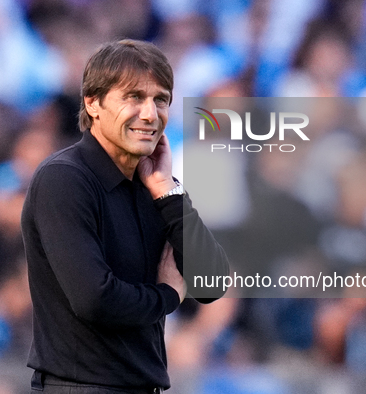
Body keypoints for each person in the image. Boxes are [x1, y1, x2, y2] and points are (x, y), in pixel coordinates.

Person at [21, 39, 229, 393]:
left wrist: (167, 190)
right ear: (93, 103)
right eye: (133, 97)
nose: (150, 113)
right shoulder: (64, 178)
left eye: (160, 99)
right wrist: (167, 296)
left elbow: (211, 283)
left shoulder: (158, 186)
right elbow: (95, 298)